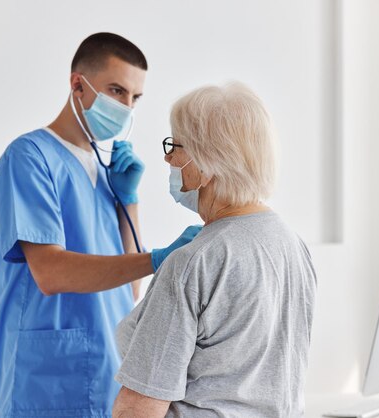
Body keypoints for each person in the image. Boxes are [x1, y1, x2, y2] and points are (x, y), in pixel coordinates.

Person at [0, 33, 201, 418]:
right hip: (48, 379)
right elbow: (50, 273)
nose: (125, 106)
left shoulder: (104, 172)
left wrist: (128, 201)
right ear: (77, 84)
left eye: (135, 98)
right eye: (116, 90)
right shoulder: (29, 158)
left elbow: (129, 287)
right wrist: (157, 258)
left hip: (106, 372)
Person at [112, 82, 318, 417]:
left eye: (175, 146)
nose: (167, 157)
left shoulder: (193, 263)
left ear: (206, 163)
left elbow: (139, 408)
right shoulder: (293, 245)